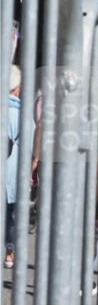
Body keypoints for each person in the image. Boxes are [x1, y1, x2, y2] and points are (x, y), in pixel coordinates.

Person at [6, 66, 33, 269]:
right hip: (14, 172)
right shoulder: (22, 114)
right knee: (13, 216)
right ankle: (10, 253)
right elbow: (31, 144)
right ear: (16, 88)